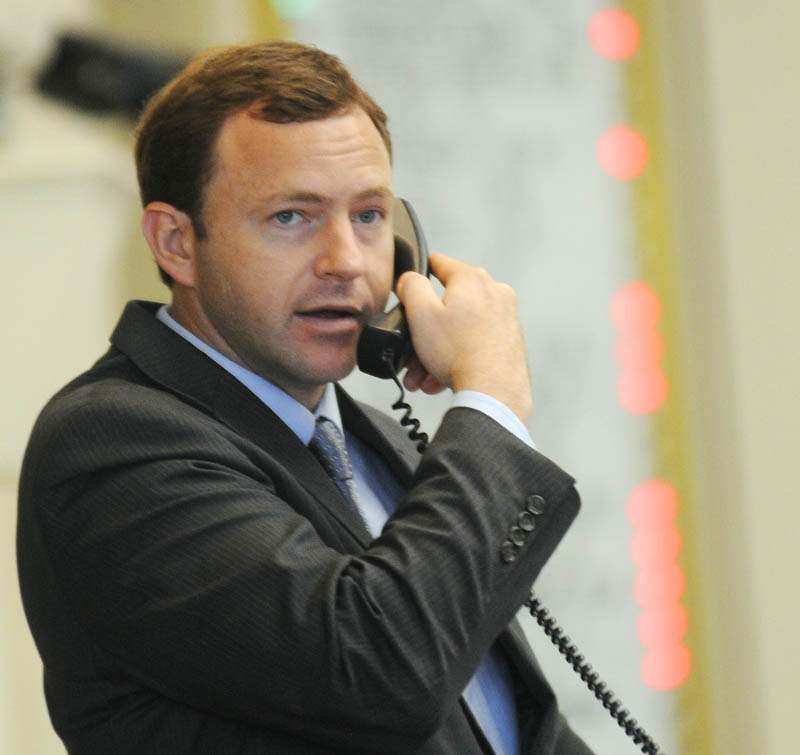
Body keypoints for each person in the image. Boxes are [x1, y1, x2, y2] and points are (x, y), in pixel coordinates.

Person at [17, 40, 593, 754]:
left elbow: (505, 726)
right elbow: (380, 671)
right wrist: (491, 403)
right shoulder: (115, 443)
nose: (346, 262)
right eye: (292, 216)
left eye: (370, 216)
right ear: (176, 243)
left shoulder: (380, 441)